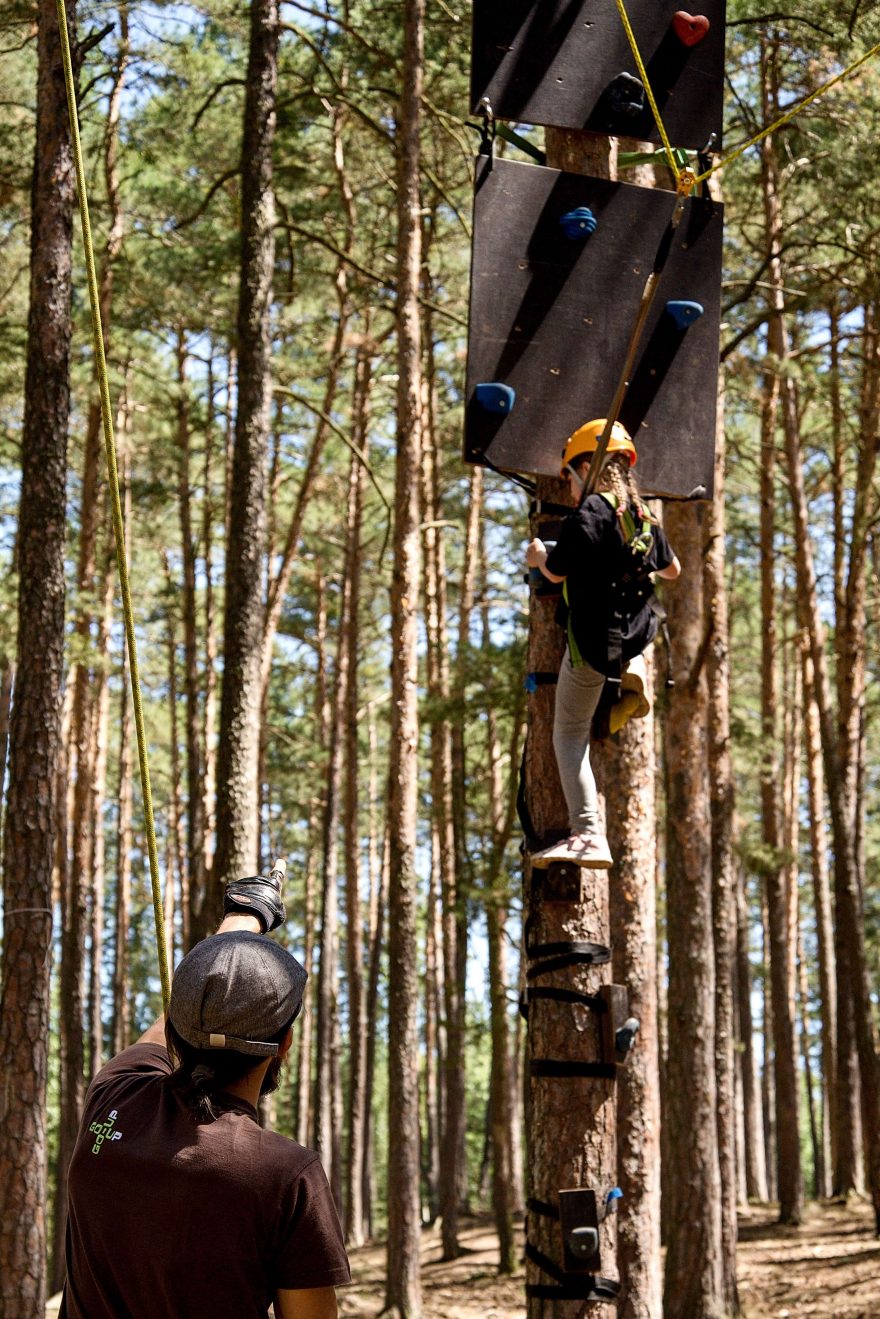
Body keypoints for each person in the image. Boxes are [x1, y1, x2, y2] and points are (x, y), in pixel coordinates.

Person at [60, 869, 351, 1319]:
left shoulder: (115, 1100)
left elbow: (175, 1020)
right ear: (285, 1045)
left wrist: (244, 915)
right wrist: (252, 915)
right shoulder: (287, 1176)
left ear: (175, 1030)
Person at [526, 418, 681, 869]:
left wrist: (538, 555)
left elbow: (554, 571)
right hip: (633, 634)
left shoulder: (592, 511)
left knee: (568, 736)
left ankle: (587, 833)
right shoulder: (640, 515)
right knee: (623, 641)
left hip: (592, 646)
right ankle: (629, 676)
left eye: (569, 479)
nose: (569, 490)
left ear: (586, 470)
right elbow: (673, 572)